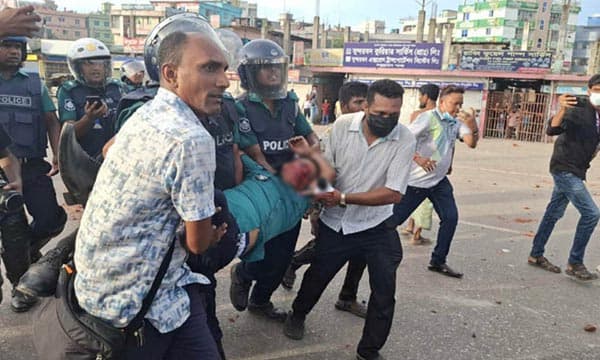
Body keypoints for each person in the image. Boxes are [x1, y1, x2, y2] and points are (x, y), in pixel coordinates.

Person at [72, 25, 231, 358]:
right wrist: (214, 236)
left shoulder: (145, 112)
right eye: (209, 68)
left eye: (224, 68)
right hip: (137, 302)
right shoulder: (192, 139)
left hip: (94, 282)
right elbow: (197, 243)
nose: (224, 81)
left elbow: (109, 153)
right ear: (171, 73)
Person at [284, 79, 416, 360]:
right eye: (380, 113)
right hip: (336, 223)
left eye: (394, 114)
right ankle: (297, 314)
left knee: (384, 292)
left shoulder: (404, 138)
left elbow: (393, 193)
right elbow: (325, 172)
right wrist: (309, 159)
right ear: (366, 106)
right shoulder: (343, 127)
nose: (387, 120)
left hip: (376, 224)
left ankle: (369, 351)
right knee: (318, 276)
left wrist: (343, 198)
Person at [229, 38, 319, 321]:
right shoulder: (239, 107)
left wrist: (313, 154)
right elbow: (254, 155)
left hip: (292, 183)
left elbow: (310, 135)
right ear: (248, 74)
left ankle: (261, 301)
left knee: (282, 256)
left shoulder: (291, 104)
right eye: (265, 69)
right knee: (261, 249)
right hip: (263, 186)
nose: (273, 74)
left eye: (277, 68)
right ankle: (243, 274)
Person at [282, 80, 370, 319]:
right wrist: (315, 211)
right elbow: (316, 173)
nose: (364, 108)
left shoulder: (373, 133)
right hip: (333, 208)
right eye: (358, 102)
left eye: (366, 102)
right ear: (343, 106)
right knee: (326, 255)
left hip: (363, 210)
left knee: (361, 254)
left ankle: (347, 297)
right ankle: (294, 266)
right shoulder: (334, 134)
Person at [0, 36, 67, 311]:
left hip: (33, 165)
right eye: (7, 46)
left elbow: (51, 120)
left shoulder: (33, 84)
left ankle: (27, 249)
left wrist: (59, 153)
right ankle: (22, 287)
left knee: (53, 218)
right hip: (3, 173)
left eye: (18, 47)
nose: (14, 52)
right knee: (14, 231)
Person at [389, 85, 478, 279]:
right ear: (442, 102)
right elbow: (402, 141)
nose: (458, 108)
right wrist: (418, 158)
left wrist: (473, 126)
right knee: (391, 222)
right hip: (415, 183)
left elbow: (471, 143)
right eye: (455, 103)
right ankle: (374, 255)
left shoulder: (456, 122)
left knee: (451, 218)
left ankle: (438, 261)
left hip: (438, 182)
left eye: (461, 104)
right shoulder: (427, 119)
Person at [527, 75, 600, 281]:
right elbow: (553, 129)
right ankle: (575, 262)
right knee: (592, 214)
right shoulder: (577, 108)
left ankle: (536, 254)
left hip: (577, 168)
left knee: (553, 212)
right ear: (589, 91)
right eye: (597, 89)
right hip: (564, 167)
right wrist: (561, 109)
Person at [57, 38, 123, 159]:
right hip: (83, 161)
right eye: (88, 63)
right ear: (77, 67)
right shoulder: (69, 91)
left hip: (116, 159)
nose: (96, 68)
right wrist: (89, 118)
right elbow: (69, 134)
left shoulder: (117, 88)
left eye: (100, 63)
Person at [402, 83, 440, 246]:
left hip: (415, 162)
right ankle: (416, 234)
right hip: (427, 163)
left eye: (420, 95)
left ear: (426, 96)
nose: (419, 98)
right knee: (425, 201)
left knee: (414, 196)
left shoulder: (417, 114)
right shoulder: (439, 116)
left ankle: (410, 226)